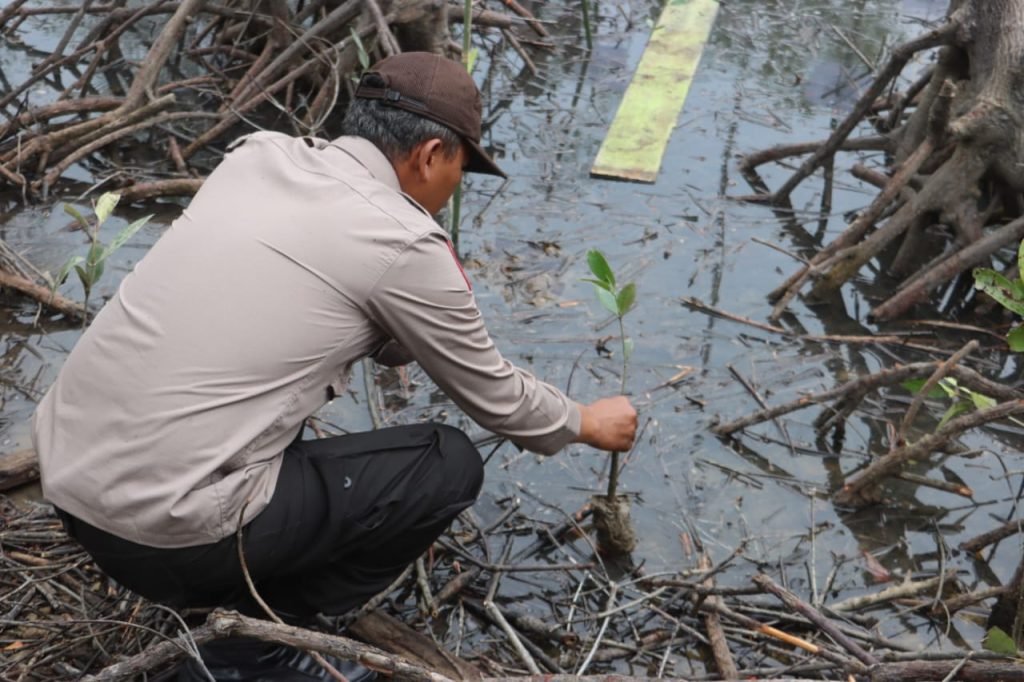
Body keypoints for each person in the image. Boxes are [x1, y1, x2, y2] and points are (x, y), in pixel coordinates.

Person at [32, 52, 637, 680]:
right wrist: (588, 422)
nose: (455, 185)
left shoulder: (257, 156)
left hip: (69, 484)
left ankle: (229, 601)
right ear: (430, 155)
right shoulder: (402, 241)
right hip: (162, 539)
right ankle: (256, 649)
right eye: (461, 167)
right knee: (446, 463)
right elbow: (504, 404)